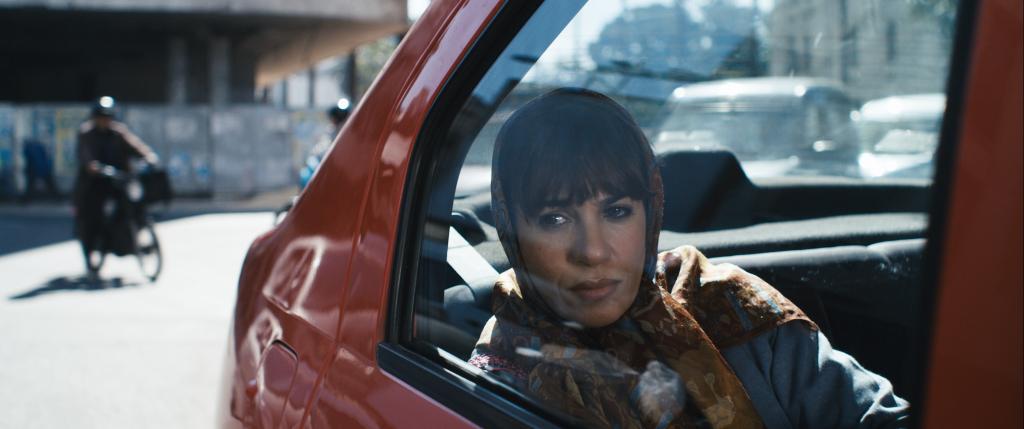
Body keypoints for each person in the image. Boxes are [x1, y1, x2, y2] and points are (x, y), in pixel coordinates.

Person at [469, 88, 908, 428]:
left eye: (617, 211)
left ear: (651, 210)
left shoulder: (727, 307)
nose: (593, 251)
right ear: (511, 227)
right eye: (554, 218)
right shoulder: (497, 377)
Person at [74, 96, 158, 273]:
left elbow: (136, 146)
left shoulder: (118, 132)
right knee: (93, 217)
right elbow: (86, 156)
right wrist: (94, 167)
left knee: (133, 204)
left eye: (108, 117)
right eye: (101, 117)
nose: (105, 121)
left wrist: (148, 156)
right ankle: (92, 250)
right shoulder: (86, 133)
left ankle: (130, 239)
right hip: (95, 183)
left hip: (119, 180)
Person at [299, 98, 351, 189]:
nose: (339, 120)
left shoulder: (353, 137)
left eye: (342, 116)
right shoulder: (329, 134)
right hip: (325, 178)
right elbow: (316, 155)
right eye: (336, 117)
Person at [20, 138, 58, 202]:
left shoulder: (28, 148)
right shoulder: (38, 147)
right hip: (43, 169)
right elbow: (44, 157)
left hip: (35, 170)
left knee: (30, 186)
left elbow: (30, 160)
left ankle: (25, 199)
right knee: (50, 185)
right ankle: (57, 197)